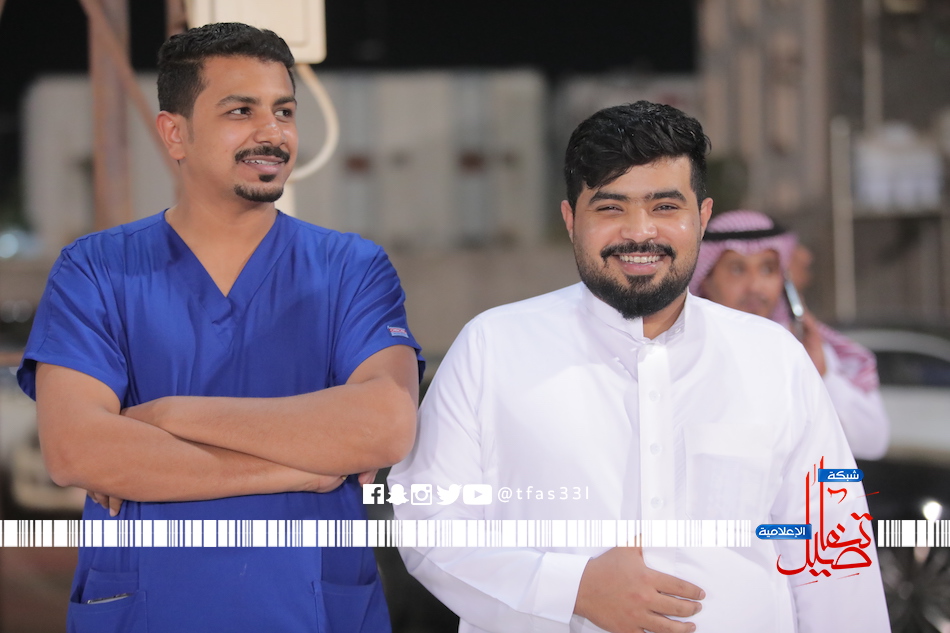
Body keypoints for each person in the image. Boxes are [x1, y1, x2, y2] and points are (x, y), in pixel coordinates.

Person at [389, 101, 889, 633]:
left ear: (702, 217)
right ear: (571, 220)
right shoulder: (493, 347)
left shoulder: (773, 357)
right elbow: (427, 522)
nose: (639, 231)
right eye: (610, 208)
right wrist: (573, 590)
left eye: (665, 206)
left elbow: (831, 549)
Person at [17, 23, 422, 632]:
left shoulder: (351, 268)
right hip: (149, 609)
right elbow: (77, 450)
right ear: (174, 133)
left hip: (312, 607)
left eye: (284, 111)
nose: (272, 132)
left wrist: (167, 416)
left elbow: (385, 426)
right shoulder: (97, 269)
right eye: (241, 111)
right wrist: (299, 469)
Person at [690, 210, 889, 460]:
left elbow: (872, 442)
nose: (755, 287)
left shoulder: (801, 348)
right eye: (738, 270)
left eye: (767, 269)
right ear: (705, 280)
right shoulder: (684, 351)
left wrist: (822, 375)